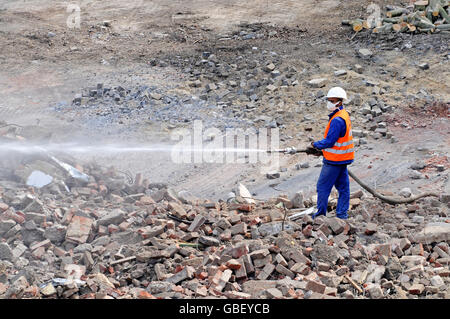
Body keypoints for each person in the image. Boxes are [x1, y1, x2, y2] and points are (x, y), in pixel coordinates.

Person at [306, 87, 354, 219]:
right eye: (329, 100)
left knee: (322, 187)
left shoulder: (337, 120)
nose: (329, 103)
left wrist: (314, 145)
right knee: (343, 188)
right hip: (342, 158)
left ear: (339, 102)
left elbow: (330, 141)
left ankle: (320, 215)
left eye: (332, 101)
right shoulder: (343, 114)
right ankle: (342, 215)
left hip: (334, 160)